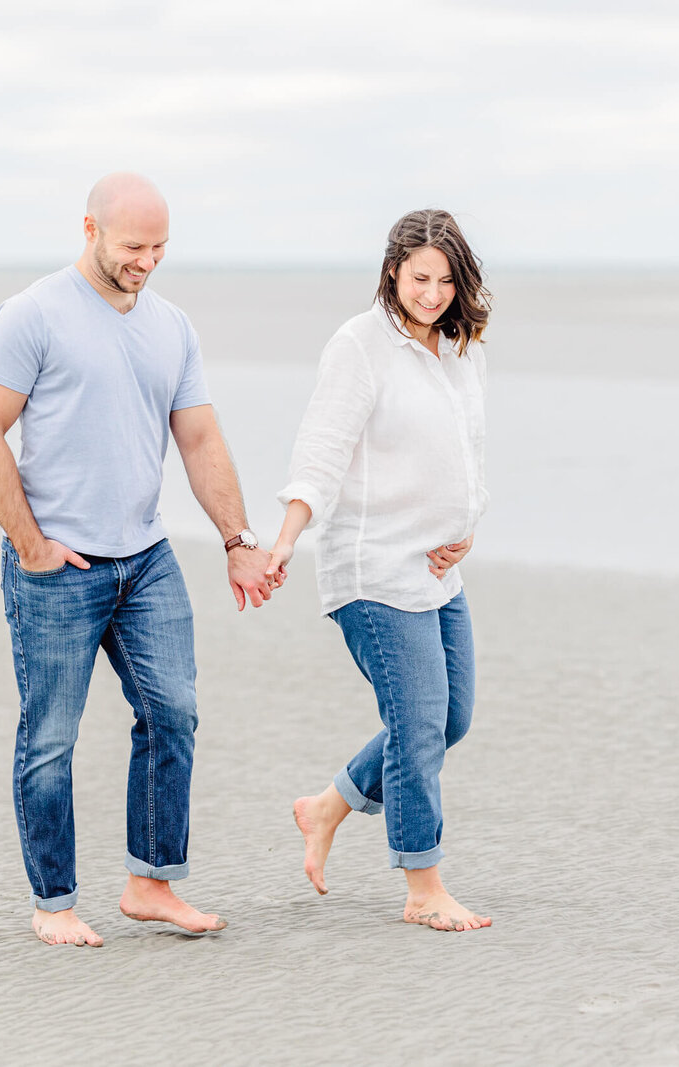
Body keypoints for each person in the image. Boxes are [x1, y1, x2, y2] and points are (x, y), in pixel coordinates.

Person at [0, 172, 278, 947]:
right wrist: (31, 543)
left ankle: (151, 882)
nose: (148, 260)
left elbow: (199, 439)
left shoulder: (172, 326)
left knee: (174, 712)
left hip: (146, 558)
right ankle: (55, 901)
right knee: (51, 738)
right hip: (58, 569)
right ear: (90, 230)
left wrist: (238, 541)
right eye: (135, 245)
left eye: (161, 246)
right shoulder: (32, 315)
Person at [267, 209, 493, 932]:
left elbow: (468, 451)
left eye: (445, 280)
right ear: (392, 270)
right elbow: (322, 451)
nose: (432, 294)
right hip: (371, 572)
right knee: (418, 721)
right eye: (419, 278)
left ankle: (328, 805)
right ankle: (422, 884)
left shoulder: (460, 348)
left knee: (449, 718)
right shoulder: (360, 346)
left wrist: (467, 528)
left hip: (436, 568)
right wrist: (285, 537)